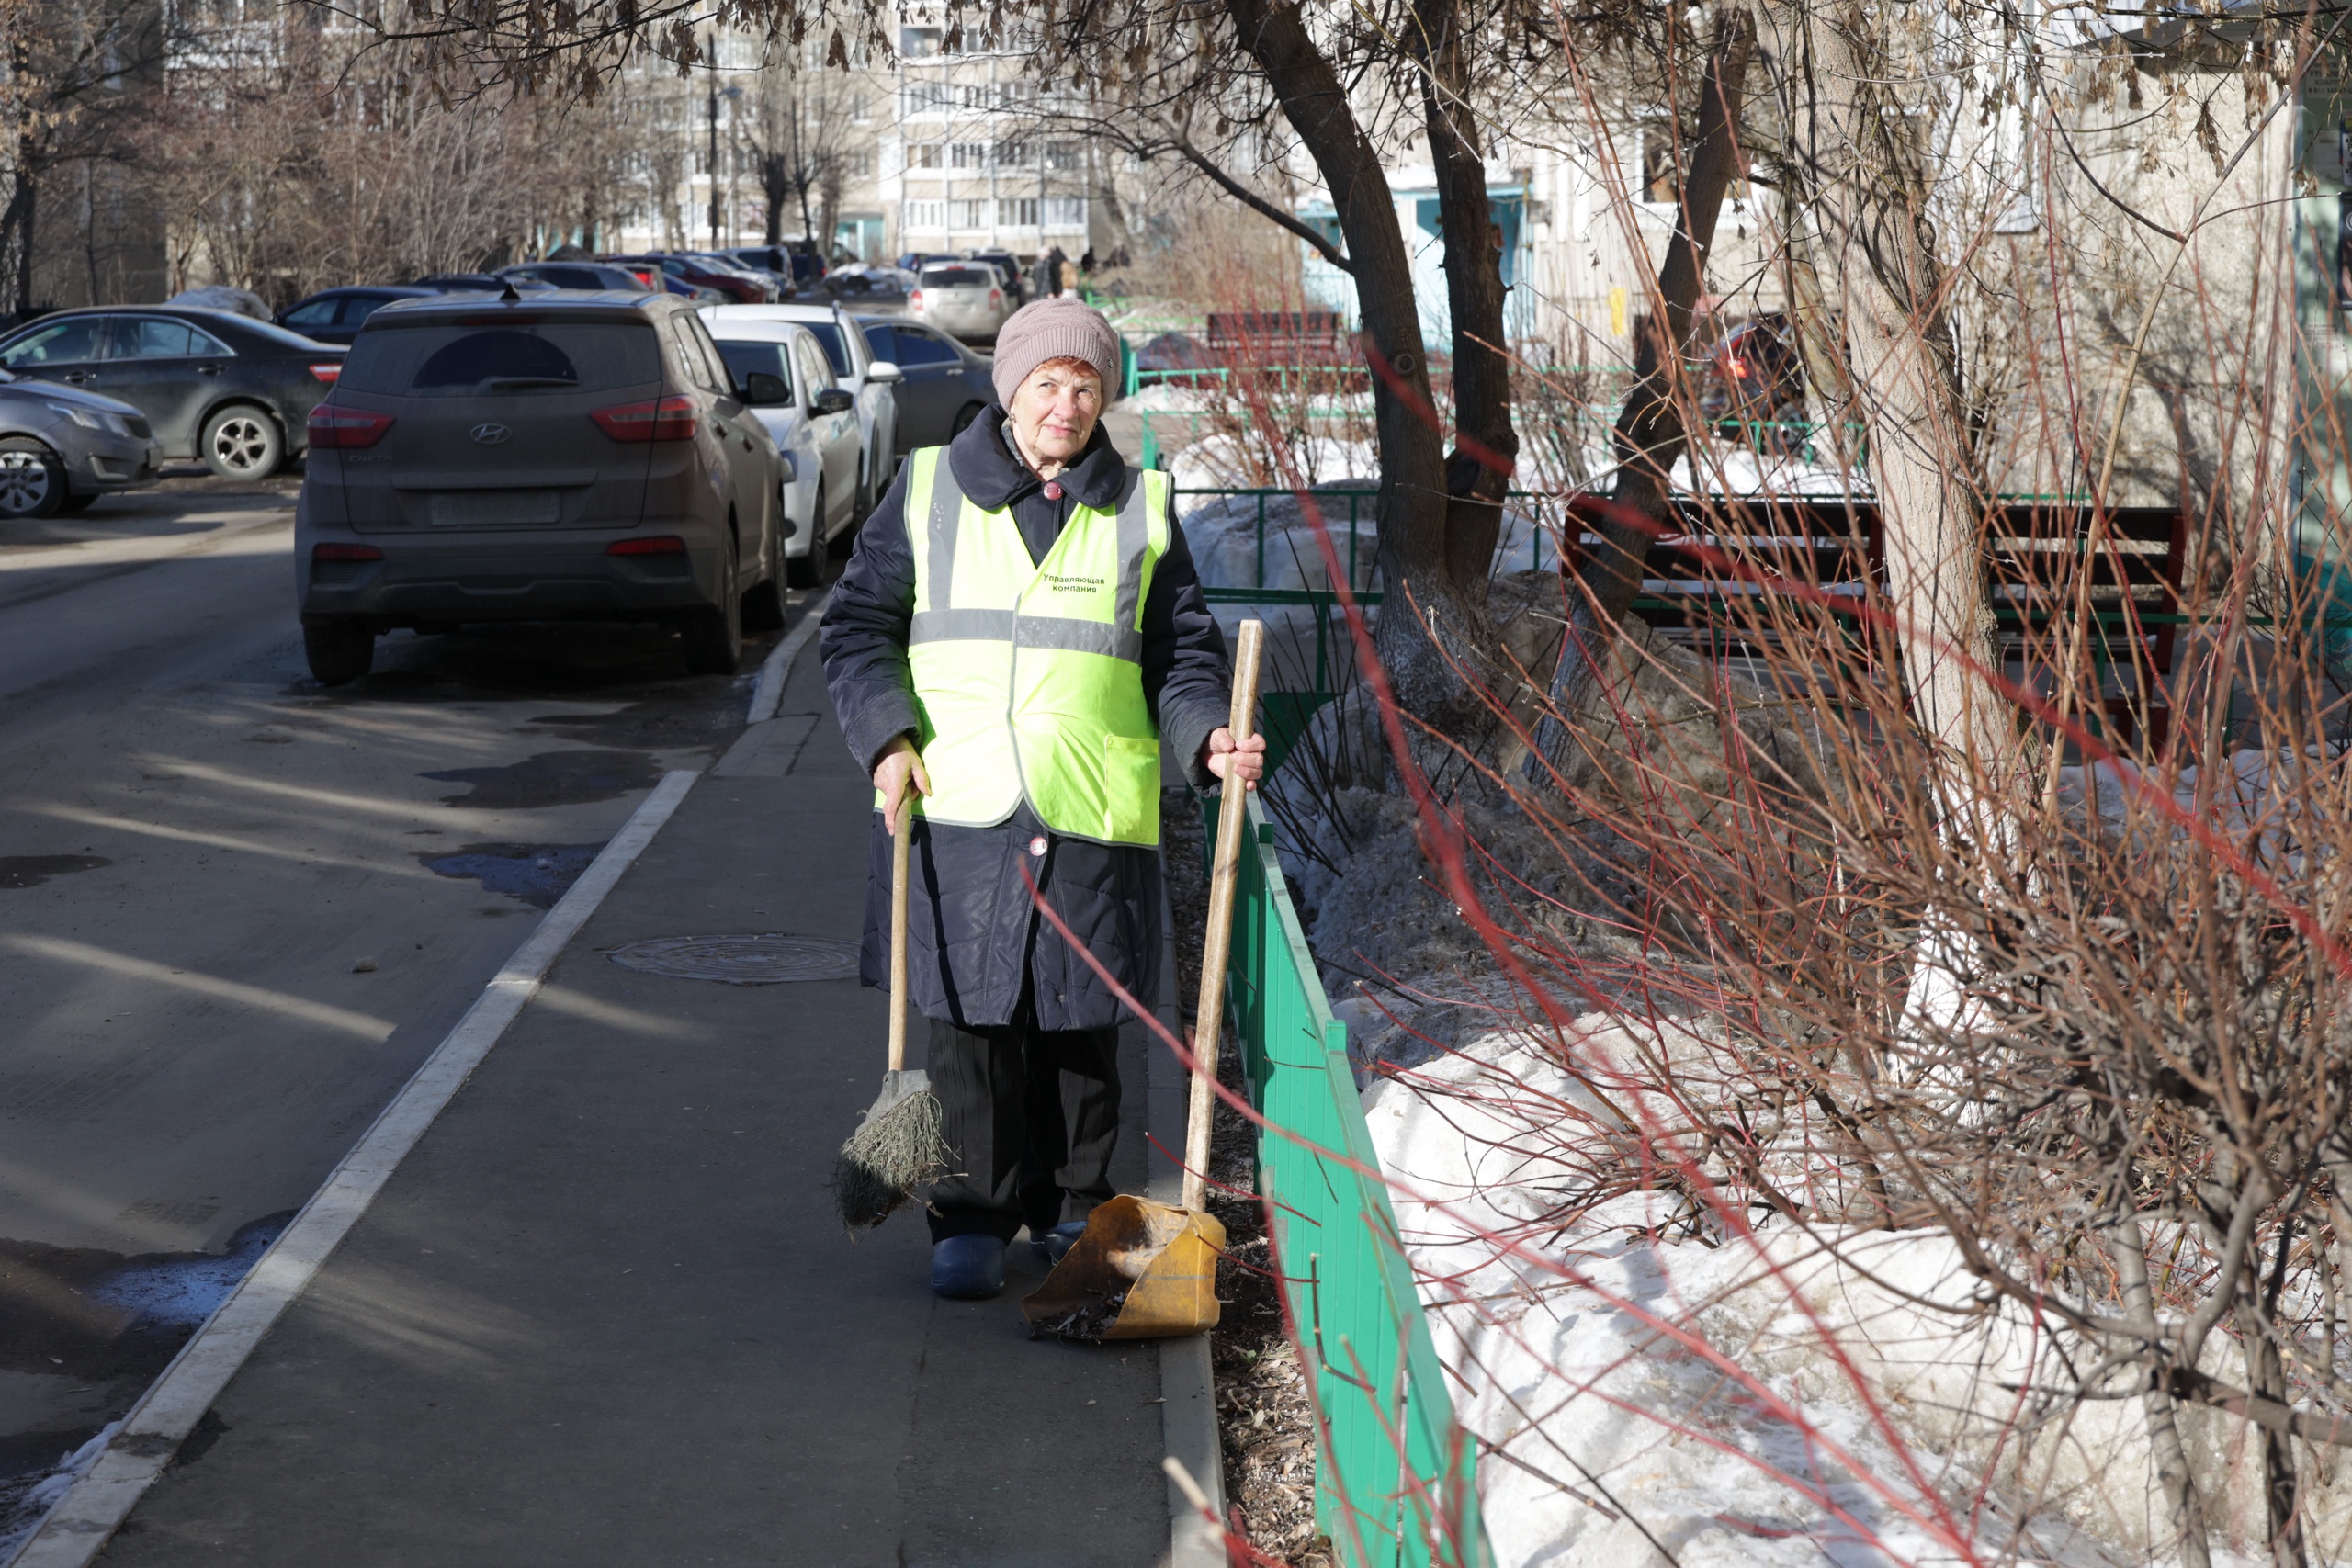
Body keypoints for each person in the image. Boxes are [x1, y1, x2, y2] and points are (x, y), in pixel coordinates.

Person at [820, 298, 1266, 1301]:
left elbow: (1181, 655)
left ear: (1105, 400)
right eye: (1047, 384)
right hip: (960, 800)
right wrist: (887, 738)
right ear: (1009, 388)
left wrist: (1204, 735)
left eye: (1085, 387)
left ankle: (1075, 1209)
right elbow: (856, 629)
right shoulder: (928, 490)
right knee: (970, 1027)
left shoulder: (1140, 507)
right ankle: (970, 1213)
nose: (1065, 405)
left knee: (1078, 1030)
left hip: (1087, 805)